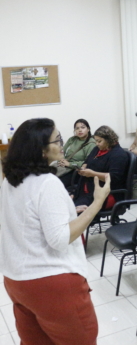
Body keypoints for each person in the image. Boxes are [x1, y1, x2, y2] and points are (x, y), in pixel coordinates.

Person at [0, 118, 111, 345]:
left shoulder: (10, 180)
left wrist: (67, 211)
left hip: (16, 280)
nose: (62, 144)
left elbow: (28, 219)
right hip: (51, 284)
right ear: (41, 149)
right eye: (57, 140)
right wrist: (97, 203)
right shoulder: (47, 183)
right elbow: (59, 239)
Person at [73, 125, 128, 211]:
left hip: (105, 194)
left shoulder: (118, 155)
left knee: (73, 212)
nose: (97, 143)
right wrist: (83, 167)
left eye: (99, 141)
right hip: (88, 189)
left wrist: (92, 174)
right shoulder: (97, 149)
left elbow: (113, 178)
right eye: (96, 141)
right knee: (68, 206)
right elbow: (87, 161)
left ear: (108, 140)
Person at [55, 118, 96, 188]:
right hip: (64, 167)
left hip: (77, 171)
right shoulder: (72, 139)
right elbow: (62, 151)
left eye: (83, 127)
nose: (80, 130)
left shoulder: (92, 143)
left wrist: (69, 164)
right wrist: (61, 160)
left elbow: (88, 163)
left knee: (57, 183)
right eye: (77, 128)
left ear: (88, 129)